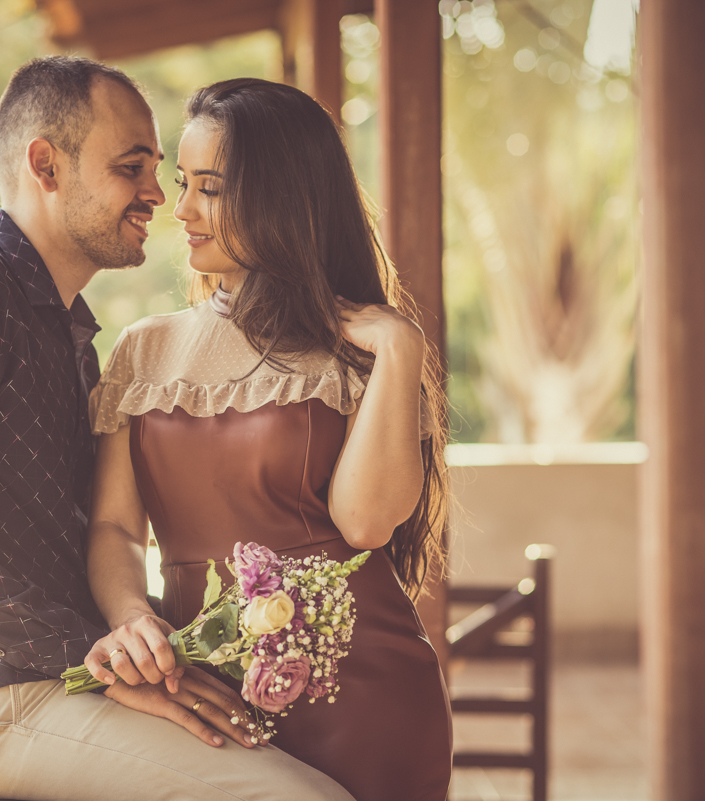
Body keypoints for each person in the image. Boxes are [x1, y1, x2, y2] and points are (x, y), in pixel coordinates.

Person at [0, 57, 354, 801]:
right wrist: (94, 655)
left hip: (62, 678)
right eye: (132, 167)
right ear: (45, 166)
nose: (159, 196)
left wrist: (144, 645)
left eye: (160, 172)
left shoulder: (72, 336)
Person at [82, 78, 454, 801]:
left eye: (210, 189)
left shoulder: (361, 353)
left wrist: (402, 349)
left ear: (280, 196)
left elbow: (364, 522)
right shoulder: (145, 351)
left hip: (362, 696)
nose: (182, 209)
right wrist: (134, 620)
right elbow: (115, 525)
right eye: (183, 184)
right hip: (203, 693)